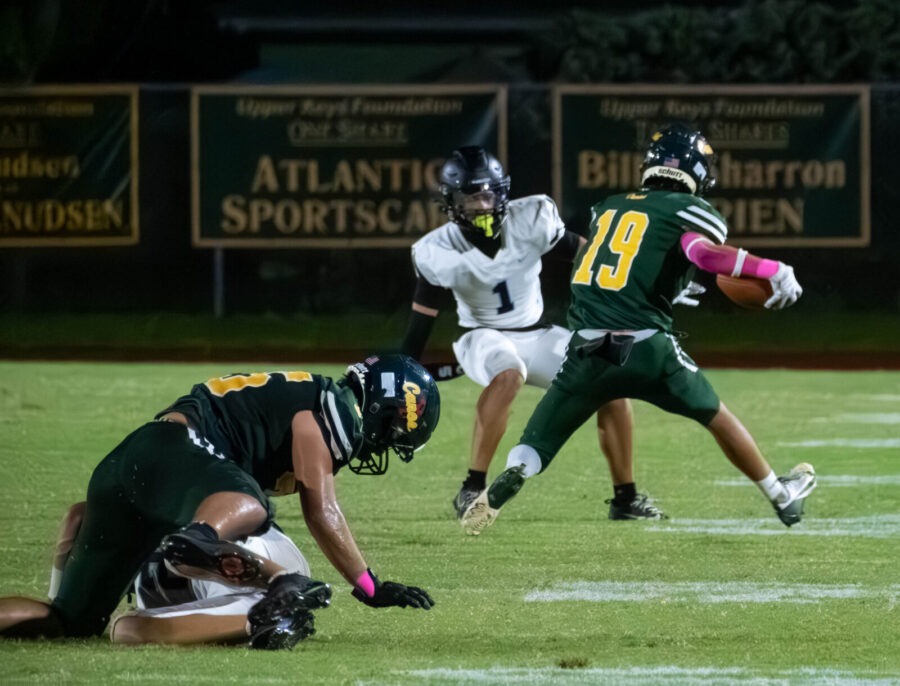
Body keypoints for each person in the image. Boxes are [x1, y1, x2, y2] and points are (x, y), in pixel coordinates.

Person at [461, 123, 817, 535]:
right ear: (698, 170)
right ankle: (781, 495)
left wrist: (662, 286)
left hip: (586, 348)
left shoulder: (608, 207)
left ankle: (517, 469)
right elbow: (704, 255)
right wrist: (772, 269)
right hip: (648, 348)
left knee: (540, 438)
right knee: (715, 415)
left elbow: (598, 268)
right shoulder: (687, 209)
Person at [0, 354, 440, 647]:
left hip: (135, 471)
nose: (384, 446)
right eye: (395, 433)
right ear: (386, 406)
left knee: (68, 623)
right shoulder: (330, 410)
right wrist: (369, 585)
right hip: (174, 454)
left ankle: (179, 538)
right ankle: (201, 540)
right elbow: (320, 509)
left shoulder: (308, 394)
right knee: (249, 502)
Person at [401, 145, 665, 528]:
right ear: (453, 202)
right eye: (473, 196)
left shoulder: (530, 218)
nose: (483, 203)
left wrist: (633, 281)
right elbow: (421, 321)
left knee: (611, 380)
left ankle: (625, 497)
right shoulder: (436, 250)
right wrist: (406, 370)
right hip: (483, 335)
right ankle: (472, 486)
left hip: (538, 333)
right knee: (509, 375)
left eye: (489, 193)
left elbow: (586, 254)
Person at [47, 502, 316, 648]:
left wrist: (57, 603)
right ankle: (280, 603)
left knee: (126, 628)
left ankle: (267, 622)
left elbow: (76, 516)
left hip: (249, 588)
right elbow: (78, 514)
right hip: (272, 544)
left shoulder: (127, 564)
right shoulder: (141, 514)